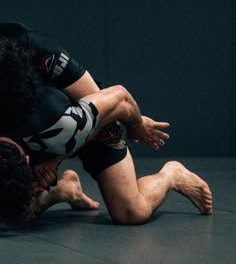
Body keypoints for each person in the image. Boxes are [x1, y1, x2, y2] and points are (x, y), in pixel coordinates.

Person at [0, 22, 213, 226]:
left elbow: (119, 100)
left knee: (130, 212)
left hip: (83, 115)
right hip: (37, 127)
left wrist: (135, 124)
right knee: (10, 207)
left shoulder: (37, 49)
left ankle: (172, 175)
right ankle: (61, 191)